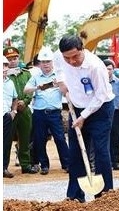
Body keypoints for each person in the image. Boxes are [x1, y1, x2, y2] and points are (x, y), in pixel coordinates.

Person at [54, 35, 115, 202]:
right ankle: (75, 195)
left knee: (101, 150)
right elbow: (58, 67)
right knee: (76, 152)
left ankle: (105, 196)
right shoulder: (60, 57)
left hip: (100, 110)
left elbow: (100, 96)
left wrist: (83, 116)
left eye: (76, 56)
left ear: (82, 49)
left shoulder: (95, 66)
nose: (72, 61)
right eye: (68, 58)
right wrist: (61, 83)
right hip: (77, 107)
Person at [23, 47, 69, 175]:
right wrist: (38, 87)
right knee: (40, 139)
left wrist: (59, 84)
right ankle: (44, 165)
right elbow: (26, 90)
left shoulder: (59, 76)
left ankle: (67, 164)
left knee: (60, 138)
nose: (46, 64)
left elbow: (66, 92)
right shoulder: (36, 77)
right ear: (40, 64)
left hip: (54, 113)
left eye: (48, 61)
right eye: (43, 62)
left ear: (52, 62)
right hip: (39, 114)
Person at [3, 46, 38, 174]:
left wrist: (26, 101)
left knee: (25, 138)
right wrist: (15, 105)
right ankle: (4, 166)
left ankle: (25, 165)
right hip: (10, 111)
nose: (13, 61)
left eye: (15, 58)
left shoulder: (26, 73)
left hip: (25, 110)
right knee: (6, 140)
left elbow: (31, 89)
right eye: (9, 59)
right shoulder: (4, 74)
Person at [3, 55, 19, 178]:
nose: (4, 68)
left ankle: (3, 168)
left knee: (6, 143)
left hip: (6, 117)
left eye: (6, 65)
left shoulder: (10, 82)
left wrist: (13, 111)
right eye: (2, 65)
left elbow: (15, 97)